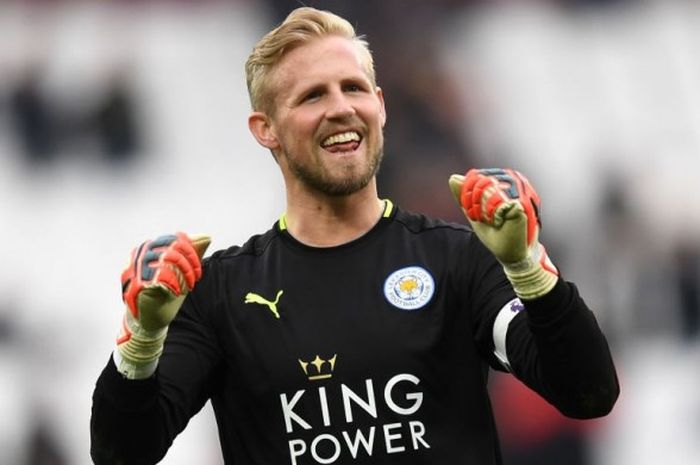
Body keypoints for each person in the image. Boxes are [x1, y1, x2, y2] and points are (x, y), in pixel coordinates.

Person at [90, 7, 619, 465]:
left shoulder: (456, 260)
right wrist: (142, 341)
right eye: (312, 95)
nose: (340, 107)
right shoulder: (223, 293)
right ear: (265, 129)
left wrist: (528, 270)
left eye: (354, 88)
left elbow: (587, 392)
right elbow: (123, 452)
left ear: (380, 106)